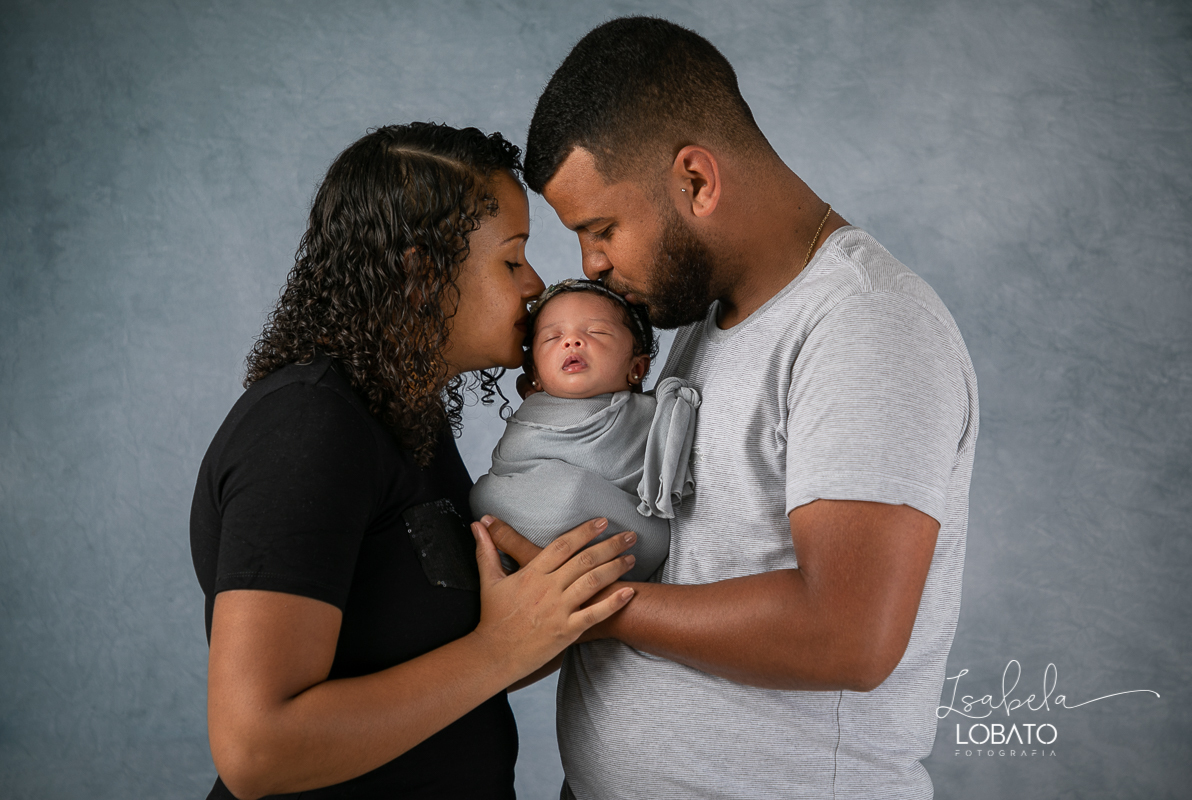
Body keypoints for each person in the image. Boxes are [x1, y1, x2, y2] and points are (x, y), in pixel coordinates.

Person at [484, 17, 980, 799]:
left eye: (601, 227)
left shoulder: (866, 325)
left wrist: (588, 605)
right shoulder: (707, 319)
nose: (589, 266)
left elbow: (847, 633)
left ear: (695, 181)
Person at [188, 122, 639, 800]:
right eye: (512, 259)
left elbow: (435, 660)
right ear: (423, 274)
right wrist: (502, 649)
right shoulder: (308, 427)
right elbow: (257, 750)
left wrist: (552, 615)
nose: (536, 285)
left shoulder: (404, 412)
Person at [470, 279, 700, 582]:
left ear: (637, 369)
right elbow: (502, 482)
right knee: (483, 493)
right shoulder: (530, 419)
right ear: (535, 378)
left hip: (631, 549)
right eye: (553, 337)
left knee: (647, 533)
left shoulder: (655, 415)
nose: (572, 341)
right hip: (518, 549)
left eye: (596, 332)